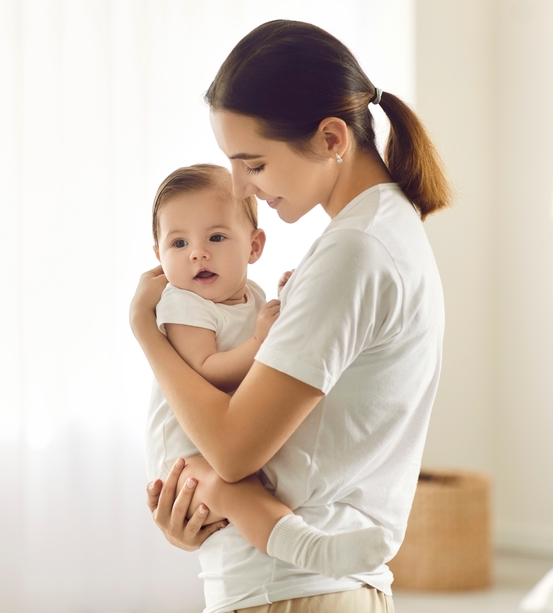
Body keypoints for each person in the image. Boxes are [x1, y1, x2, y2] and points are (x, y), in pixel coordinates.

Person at [130, 19, 451, 613]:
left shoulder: (357, 250)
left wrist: (146, 334)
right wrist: (193, 515)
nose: (240, 186)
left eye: (252, 164)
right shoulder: (378, 232)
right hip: (296, 585)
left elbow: (232, 451)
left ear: (332, 138)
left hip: (293, 591)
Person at [146, 163, 388, 580]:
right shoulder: (182, 304)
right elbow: (209, 370)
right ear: (159, 257)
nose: (197, 253)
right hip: (185, 455)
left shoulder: (250, 296)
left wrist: (290, 297)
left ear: (254, 246)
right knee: (234, 493)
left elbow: (273, 355)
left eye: (216, 237)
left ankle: (316, 545)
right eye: (179, 242)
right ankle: (311, 550)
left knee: (249, 489)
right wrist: (260, 342)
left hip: (218, 437)